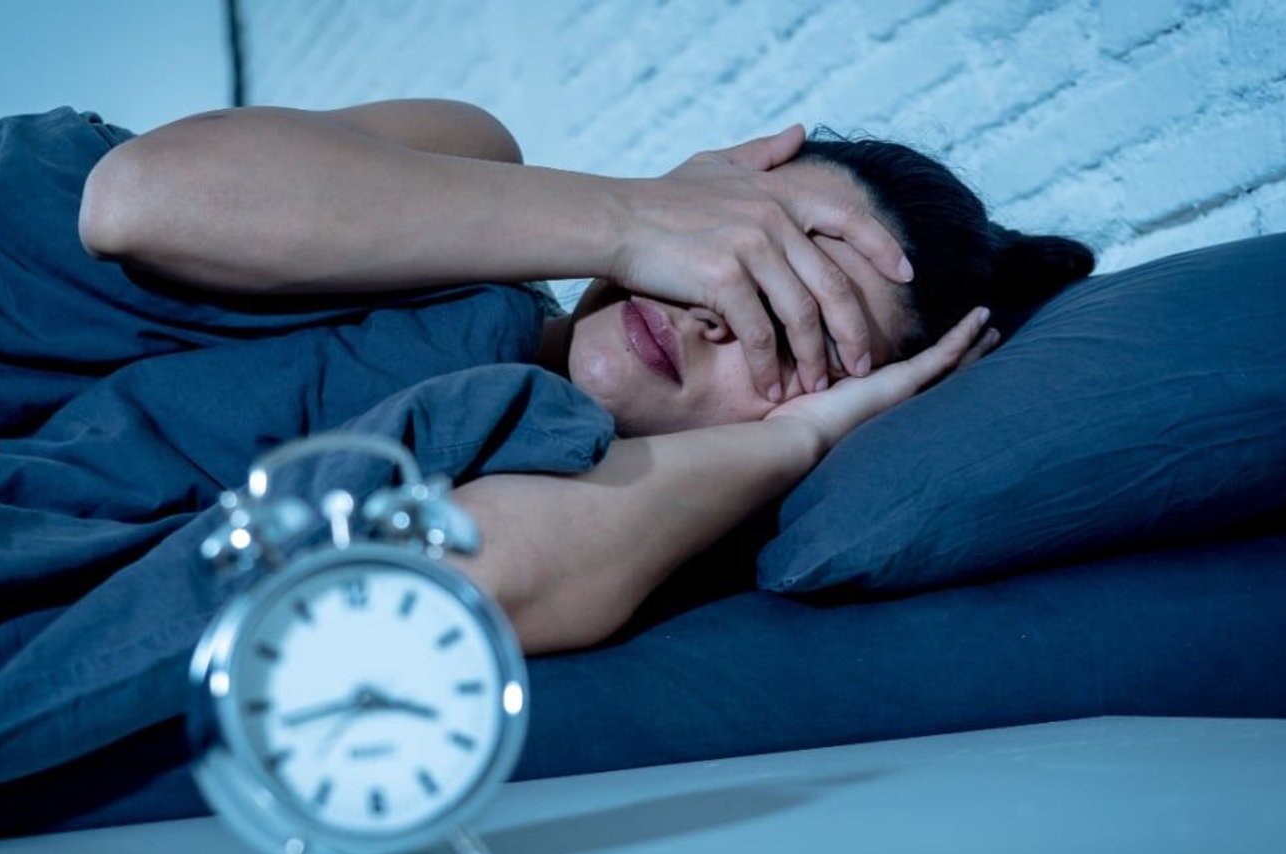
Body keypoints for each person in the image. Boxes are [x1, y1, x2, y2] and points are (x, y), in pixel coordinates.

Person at [80, 99, 1095, 653]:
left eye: (788, 330)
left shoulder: (589, 516)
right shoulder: (466, 156)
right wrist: (629, 213)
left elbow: (404, 608)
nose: (712, 308)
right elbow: (135, 202)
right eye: (742, 246)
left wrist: (802, 439)